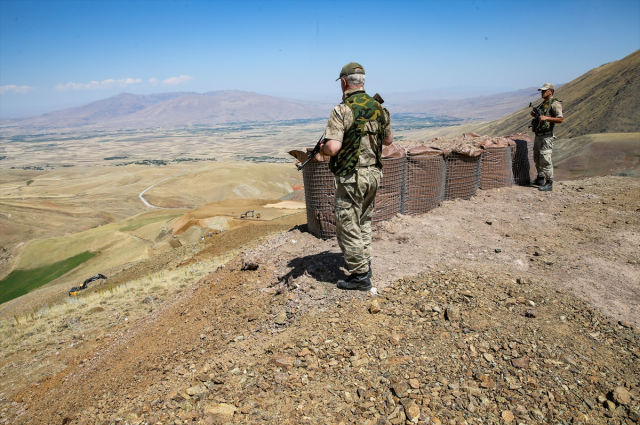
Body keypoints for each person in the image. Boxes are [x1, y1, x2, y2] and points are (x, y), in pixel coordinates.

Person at [318, 62, 393, 291]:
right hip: (373, 174)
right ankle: (365, 264)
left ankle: (360, 276)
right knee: (364, 221)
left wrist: (322, 148)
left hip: (351, 177)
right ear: (362, 81)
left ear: (343, 83)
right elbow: (388, 141)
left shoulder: (342, 110)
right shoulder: (379, 107)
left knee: (347, 223)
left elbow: (332, 148)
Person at [530, 83, 564, 191]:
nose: (542, 92)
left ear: (551, 91)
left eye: (545, 91)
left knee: (545, 158)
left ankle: (549, 182)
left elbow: (560, 119)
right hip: (538, 135)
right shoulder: (543, 104)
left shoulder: (555, 104)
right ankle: (540, 178)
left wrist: (546, 118)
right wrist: (535, 115)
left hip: (547, 136)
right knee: (537, 158)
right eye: (541, 91)